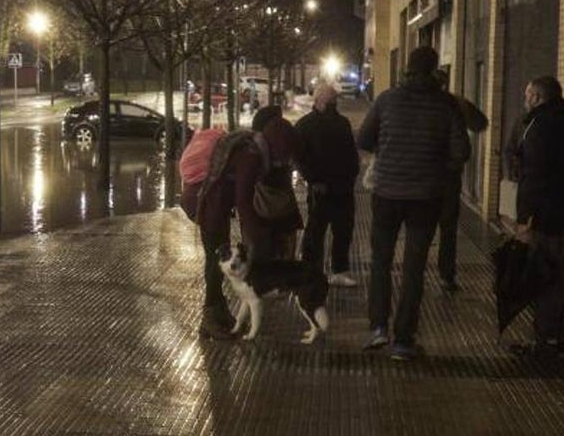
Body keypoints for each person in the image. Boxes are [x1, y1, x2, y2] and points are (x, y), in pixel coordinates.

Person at [356, 46, 469, 360]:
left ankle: (378, 327)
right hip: (425, 197)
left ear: (406, 68)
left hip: (387, 193)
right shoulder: (446, 105)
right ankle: (404, 340)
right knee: (414, 266)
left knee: (381, 260)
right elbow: (461, 152)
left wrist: (390, 150)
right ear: (434, 71)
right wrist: (437, 166)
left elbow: (363, 139)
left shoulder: (387, 99)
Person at [181, 108, 303, 338]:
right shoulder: (252, 155)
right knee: (214, 261)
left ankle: (220, 314)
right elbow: (243, 201)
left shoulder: (253, 146)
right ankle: (210, 318)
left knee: (216, 258)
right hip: (207, 204)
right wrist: (256, 239)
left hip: (211, 202)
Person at [512, 76, 564, 360]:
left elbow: (534, 175)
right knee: (559, 275)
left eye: (527, 95)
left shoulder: (540, 126)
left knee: (544, 276)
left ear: (537, 96)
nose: (525, 100)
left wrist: (525, 218)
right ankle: (557, 337)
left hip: (543, 214)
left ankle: (546, 341)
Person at [295, 83, 360, 287]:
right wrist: (313, 179)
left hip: (342, 185)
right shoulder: (306, 125)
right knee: (316, 230)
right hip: (321, 187)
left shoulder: (341, 123)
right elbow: (300, 157)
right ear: (318, 102)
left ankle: (338, 269)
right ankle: (312, 270)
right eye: (329, 102)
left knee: (342, 229)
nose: (333, 105)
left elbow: (350, 152)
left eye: (334, 101)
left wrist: (352, 174)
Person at [433, 69, 489, 293]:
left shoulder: (407, 102)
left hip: (422, 177)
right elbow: (480, 124)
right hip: (447, 177)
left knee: (421, 228)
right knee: (447, 228)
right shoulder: (454, 103)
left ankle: (418, 274)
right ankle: (447, 275)